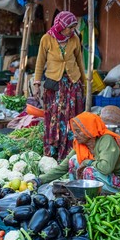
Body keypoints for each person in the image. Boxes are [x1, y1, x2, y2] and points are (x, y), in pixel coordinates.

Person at [29, 112, 120, 194]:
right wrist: (40, 180)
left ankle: (98, 195)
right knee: (74, 160)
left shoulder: (106, 141)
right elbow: (63, 167)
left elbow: (105, 168)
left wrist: (88, 162)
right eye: (75, 131)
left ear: (89, 131)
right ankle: (76, 193)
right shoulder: (81, 144)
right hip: (105, 179)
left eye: (79, 131)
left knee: (88, 171)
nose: (75, 135)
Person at [33, 11, 86, 162]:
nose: (72, 30)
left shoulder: (74, 39)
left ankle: (70, 151)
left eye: (74, 27)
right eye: (70, 27)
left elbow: (80, 62)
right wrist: (37, 84)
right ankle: (53, 151)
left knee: (71, 118)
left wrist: (84, 83)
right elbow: (39, 62)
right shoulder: (47, 39)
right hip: (54, 86)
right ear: (61, 25)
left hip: (72, 84)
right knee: (55, 118)